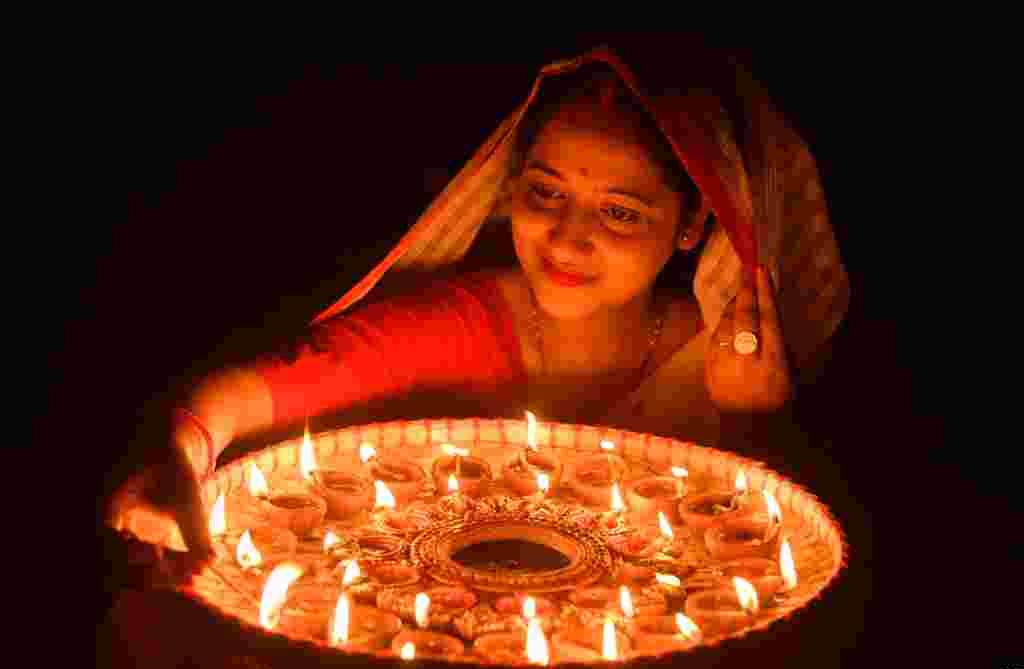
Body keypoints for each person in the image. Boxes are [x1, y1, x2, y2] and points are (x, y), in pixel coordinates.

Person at [105, 44, 849, 580]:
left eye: (619, 213)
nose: (566, 237)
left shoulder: (727, 359)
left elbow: (773, 562)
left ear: (690, 225)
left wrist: (756, 417)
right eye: (545, 192)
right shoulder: (471, 324)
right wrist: (180, 460)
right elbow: (245, 395)